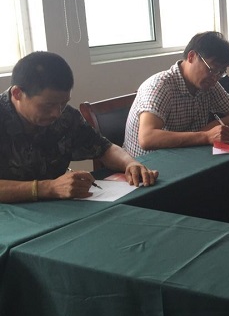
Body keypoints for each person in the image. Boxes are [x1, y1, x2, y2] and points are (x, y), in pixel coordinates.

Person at [0, 52, 158, 203]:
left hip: (56, 208)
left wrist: (130, 163)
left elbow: (104, 148)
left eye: (63, 103)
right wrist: (48, 188)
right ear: (17, 93)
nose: (57, 113)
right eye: (48, 105)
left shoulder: (66, 117)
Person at [124, 31, 229, 157]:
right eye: (212, 69)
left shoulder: (209, 84)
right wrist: (205, 136)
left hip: (184, 154)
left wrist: (212, 129)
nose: (215, 77)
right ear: (191, 57)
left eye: (221, 72)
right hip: (147, 163)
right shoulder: (159, 86)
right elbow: (147, 138)